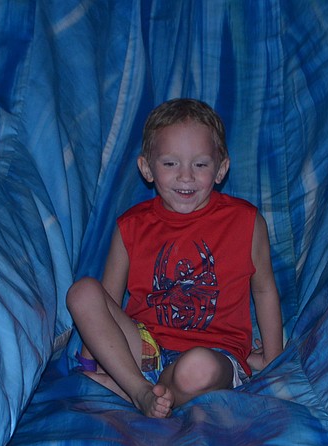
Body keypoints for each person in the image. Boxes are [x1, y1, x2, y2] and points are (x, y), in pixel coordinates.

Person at [66, 98, 283, 418]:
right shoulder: (131, 225)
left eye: (200, 164)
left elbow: (264, 290)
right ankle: (139, 390)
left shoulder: (246, 222)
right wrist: (92, 362)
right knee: (82, 291)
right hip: (143, 351)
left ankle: (136, 391)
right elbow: (107, 300)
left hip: (214, 354)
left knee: (196, 366)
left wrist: (273, 359)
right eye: (170, 163)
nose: (186, 177)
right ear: (146, 168)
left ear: (221, 168)